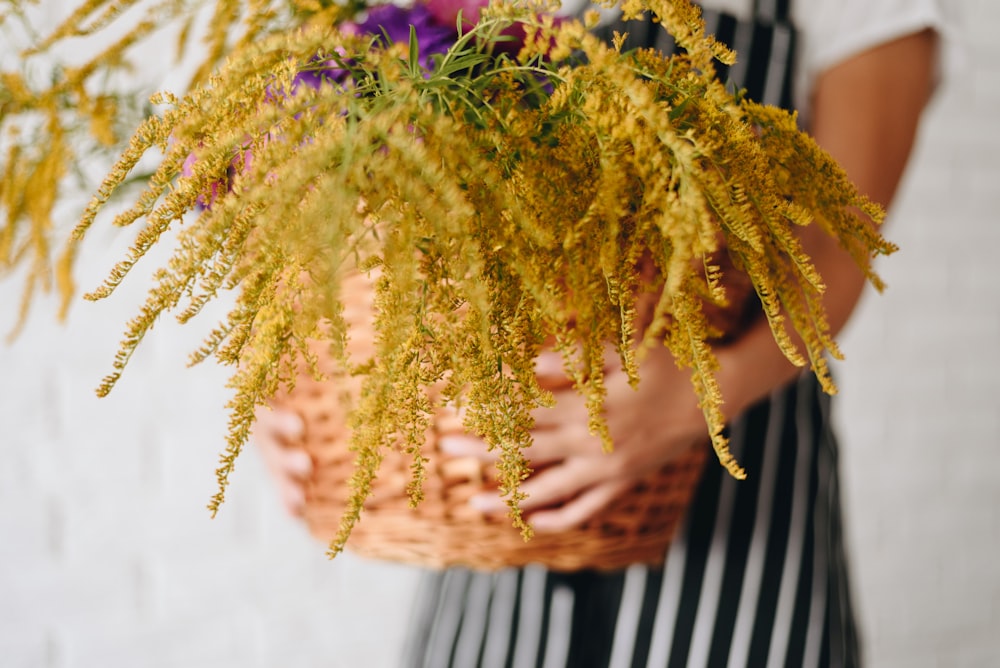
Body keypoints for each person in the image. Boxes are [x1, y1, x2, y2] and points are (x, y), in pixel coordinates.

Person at [253, 1, 941, 665]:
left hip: (744, 497)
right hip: (494, 519)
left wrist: (696, 398)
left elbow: (839, 243)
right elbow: (374, 224)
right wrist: (294, 370)